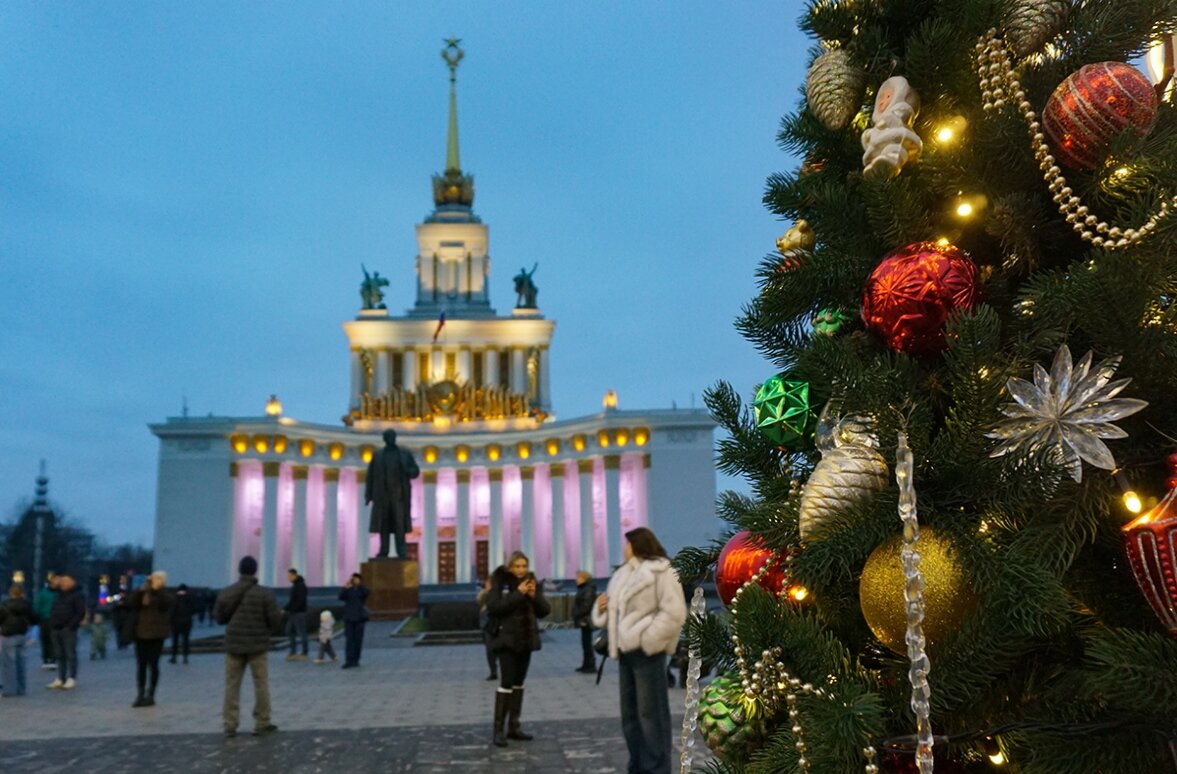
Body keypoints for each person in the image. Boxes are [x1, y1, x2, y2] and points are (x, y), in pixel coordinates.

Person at [592, 528, 687, 774]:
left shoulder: (662, 571)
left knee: (651, 715)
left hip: (647, 653)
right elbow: (615, 613)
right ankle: (637, 765)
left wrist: (647, 639)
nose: (624, 548)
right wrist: (602, 608)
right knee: (631, 717)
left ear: (637, 544)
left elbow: (674, 612)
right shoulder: (623, 574)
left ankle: (656, 768)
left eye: (627, 544)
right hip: (625, 653)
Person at [485, 551, 550, 747]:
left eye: (524, 566)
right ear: (510, 567)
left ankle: (514, 726)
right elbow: (494, 607)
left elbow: (544, 611)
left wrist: (533, 596)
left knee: (519, 682)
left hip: (525, 640)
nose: (521, 570)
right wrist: (518, 594)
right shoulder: (500, 581)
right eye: (518, 566)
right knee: (506, 682)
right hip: (506, 640)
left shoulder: (532, 582)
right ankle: (498, 730)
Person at [213, 555, 280, 738]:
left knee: (232, 685)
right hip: (257, 645)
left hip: (234, 645)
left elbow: (219, 618)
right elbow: (275, 621)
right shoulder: (264, 594)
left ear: (239, 570)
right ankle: (262, 722)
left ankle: (230, 724)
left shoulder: (227, 592)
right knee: (261, 684)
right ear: (255, 571)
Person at [365, 428, 420, 559]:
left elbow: (415, 470)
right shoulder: (377, 455)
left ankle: (401, 551)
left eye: (392, 436)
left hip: (399, 496)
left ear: (395, 438)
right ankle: (383, 551)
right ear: (384, 439)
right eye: (387, 436)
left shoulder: (404, 453)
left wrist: (409, 471)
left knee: (399, 525)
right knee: (383, 524)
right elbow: (370, 476)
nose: (390, 438)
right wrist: (368, 495)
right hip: (382, 496)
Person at [128, 570, 172, 707]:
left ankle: (151, 694)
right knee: (141, 665)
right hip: (140, 633)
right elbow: (130, 603)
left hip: (157, 635)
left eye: (159, 578)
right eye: (154, 578)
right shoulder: (143, 592)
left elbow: (166, 605)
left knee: (153, 665)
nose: (155, 581)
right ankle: (140, 694)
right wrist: (141, 590)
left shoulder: (165, 593)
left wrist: (158, 590)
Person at [47, 574, 86, 690]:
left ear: (73, 582)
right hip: (56, 627)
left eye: (66, 581)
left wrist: (70, 626)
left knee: (70, 654)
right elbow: (50, 588)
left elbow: (80, 612)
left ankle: (71, 677)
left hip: (68, 629)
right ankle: (60, 677)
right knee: (59, 654)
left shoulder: (77, 595)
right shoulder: (58, 594)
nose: (62, 583)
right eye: (62, 581)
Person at [0, 585, 34, 696]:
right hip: (22, 634)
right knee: (21, 663)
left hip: (8, 635)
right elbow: (33, 618)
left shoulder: (5, 605)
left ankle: (9, 690)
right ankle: (21, 688)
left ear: (11, 593)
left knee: (8, 663)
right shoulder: (27, 605)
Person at [338, 573, 369, 668]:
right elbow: (340, 597)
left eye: (356, 579)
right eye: (353, 579)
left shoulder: (362, 590)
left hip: (360, 618)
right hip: (349, 618)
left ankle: (356, 659)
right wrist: (345, 587)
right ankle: (349, 660)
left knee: (358, 640)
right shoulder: (348, 590)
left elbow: (367, 592)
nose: (354, 580)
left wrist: (359, 585)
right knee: (349, 640)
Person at [571, 570, 598, 674]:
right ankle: (586, 665)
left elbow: (586, 605)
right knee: (585, 643)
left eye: (578, 577)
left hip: (586, 620)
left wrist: (576, 613)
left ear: (584, 578)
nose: (576, 579)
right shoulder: (584, 588)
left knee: (587, 644)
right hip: (583, 620)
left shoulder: (588, 589)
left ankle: (590, 665)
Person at [32, 573, 57, 670]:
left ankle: (47, 659)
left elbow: (36, 607)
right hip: (50, 619)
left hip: (46, 619)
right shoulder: (57, 594)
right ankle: (50, 659)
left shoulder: (42, 593)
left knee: (47, 639)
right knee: (51, 640)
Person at [476, 576, 497, 681]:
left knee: (494, 649)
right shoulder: (484, 594)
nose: (487, 585)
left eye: (489, 583)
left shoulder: (496, 595)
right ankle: (493, 671)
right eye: (487, 583)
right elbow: (479, 602)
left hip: (494, 624)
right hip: (486, 625)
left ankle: (495, 671)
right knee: (490, 650)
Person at [284, 568, 308, 661]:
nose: (288, 578)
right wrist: (285, 609)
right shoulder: (295, 586)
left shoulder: (300, 586)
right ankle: (293, 651)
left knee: (301, 632)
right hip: (293, 612)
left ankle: (305, 652)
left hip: (298, 613)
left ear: (295, 575)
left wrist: (289, 609)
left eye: (290, 576)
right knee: (289, 630)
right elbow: (292, 601)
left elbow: (299, 601)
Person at [169, 583, 195, 664]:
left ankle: (174, 657)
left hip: (176, 623)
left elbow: (172, 611)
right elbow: (194, 609)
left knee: (175, 641)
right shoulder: (190, 598)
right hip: (187, 622)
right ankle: (185, 657)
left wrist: (170, 620)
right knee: (185, 641)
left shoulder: (175, 598)